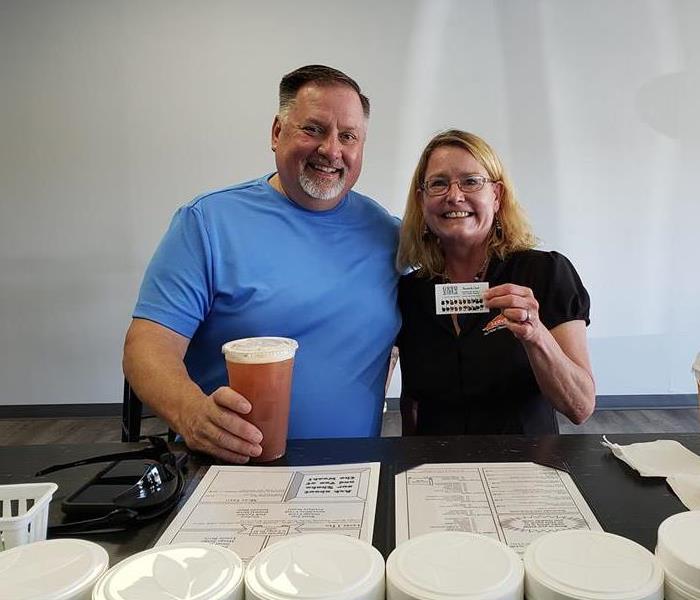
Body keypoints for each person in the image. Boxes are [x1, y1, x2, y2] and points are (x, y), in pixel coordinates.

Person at [123, 65, 400, 463]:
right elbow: (147, 345)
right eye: (314, 129)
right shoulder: (208, 223)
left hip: (353, 474)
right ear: (276, 132)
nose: (331, 150)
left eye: (349, 136)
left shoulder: (387, 234)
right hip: (232, 472)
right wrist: (191, 413)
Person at [396, 129, 595, 435]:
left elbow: (580, 407)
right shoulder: (410, 292)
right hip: (434, 471)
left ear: (497, 195)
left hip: (524, 468)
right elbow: (411, 402)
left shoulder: (545, 273)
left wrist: (536, 336)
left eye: (471, 181)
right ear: (422, 201)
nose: (454, 195)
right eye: (438, 183)